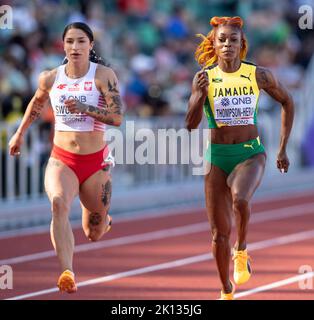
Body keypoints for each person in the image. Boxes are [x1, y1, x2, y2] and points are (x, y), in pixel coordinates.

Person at [8, 22, 123, 293]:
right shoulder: (50, 77)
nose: (75, 47)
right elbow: (36, 103)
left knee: (93, 233)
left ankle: (104, 219)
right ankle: (67, 271)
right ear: (63, 45)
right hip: (62, 159)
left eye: (81, 41)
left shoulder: (103, 76)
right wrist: (19, 134)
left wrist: (86, 108)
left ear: (90, 45)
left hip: (95, 164)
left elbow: (117, 117)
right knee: (58, 204)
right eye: (70, 41)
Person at [186, 16, 294, 300]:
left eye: (233, 40)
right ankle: (226, 290)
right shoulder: (204, 78)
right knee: (218, 236)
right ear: (214, 44)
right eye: (222, 40)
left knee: (241, 199)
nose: (227, 44)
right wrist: (198, 96)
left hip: (250, 153)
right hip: (216, 158)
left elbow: (287, 101)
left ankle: (242, 249)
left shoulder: (257, 75)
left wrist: (282, 148)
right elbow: (189, 124)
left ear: (241, 44)